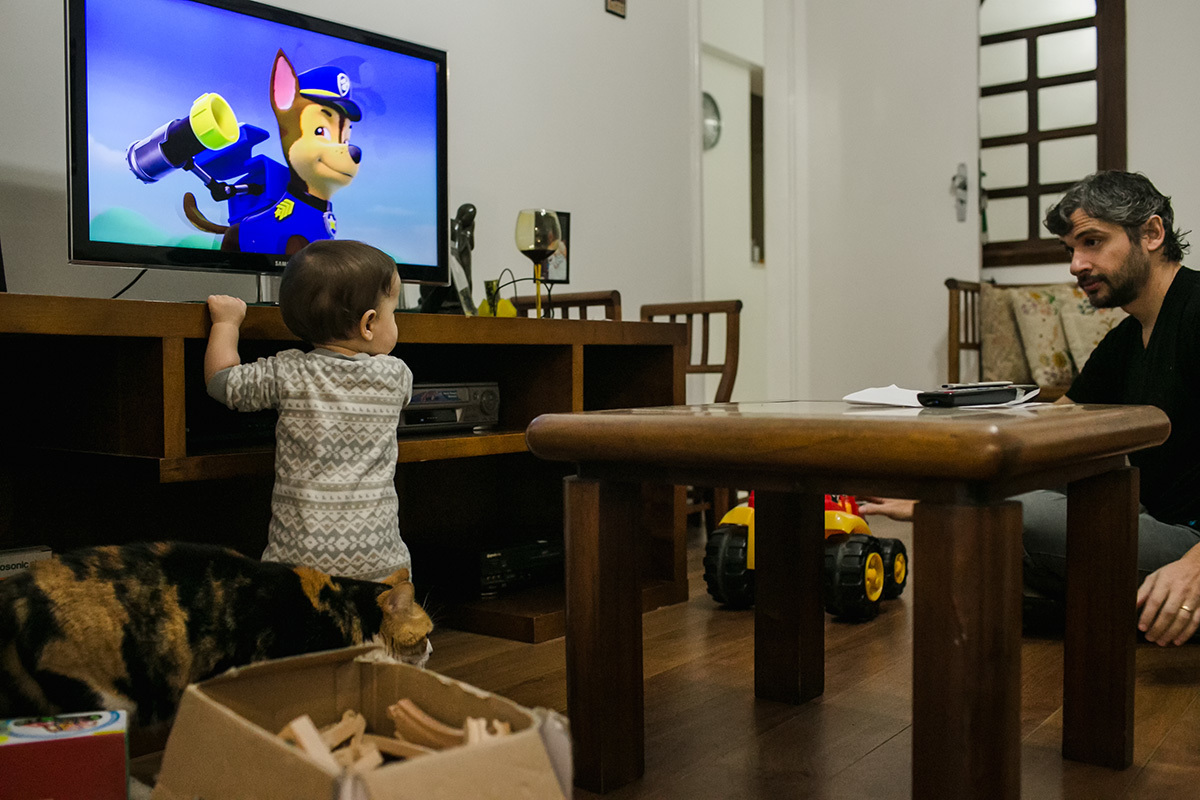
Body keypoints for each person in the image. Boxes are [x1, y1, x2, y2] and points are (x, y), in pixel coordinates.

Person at [860, 170, 1200, 647]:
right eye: (1071, 250)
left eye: (1092, 242)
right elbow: (1051, 425)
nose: (1076, 264)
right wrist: (940, 483)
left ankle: (1157, 599)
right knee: (1001, 528)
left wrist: (1195, 569)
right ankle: (1128, 605)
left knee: (1016, 515)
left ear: (1151, 233)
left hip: (1193, 547)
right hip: (1154, 522)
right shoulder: (1126, 338)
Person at [204, 239, 414, 582]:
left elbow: (222, 383)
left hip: (298, 563)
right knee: (390, 627)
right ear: (369, 324)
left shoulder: (287, 371)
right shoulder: (395, 376)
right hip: (381, 558)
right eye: (394, 312)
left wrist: (226, 324)